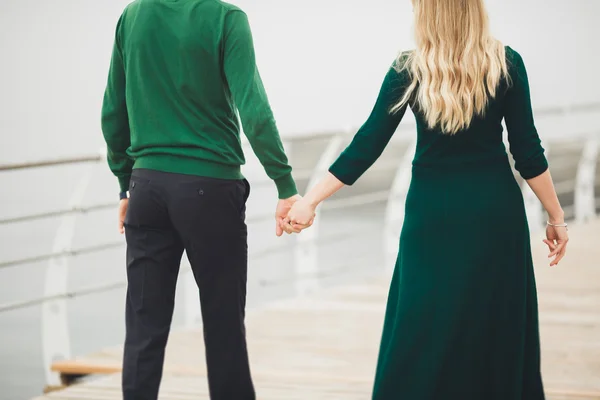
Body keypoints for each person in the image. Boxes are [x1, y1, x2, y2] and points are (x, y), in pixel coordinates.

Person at [284, 0, 569, 398]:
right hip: (494, 214)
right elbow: (527, 151)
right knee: (493, 322)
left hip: (431, 216)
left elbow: (367, 144)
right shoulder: (506, 64)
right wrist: (556, 216)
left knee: (421, 323)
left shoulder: (409, 69)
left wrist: (310, 200)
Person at [100, 0, 302, 399]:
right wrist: (284, 184)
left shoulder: (132, 16)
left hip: (147, 189)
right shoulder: (227, 19)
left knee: (143, 328)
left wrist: (125, 183)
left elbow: (112, 111)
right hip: (211, 189)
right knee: (223, 325)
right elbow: (255, 111)